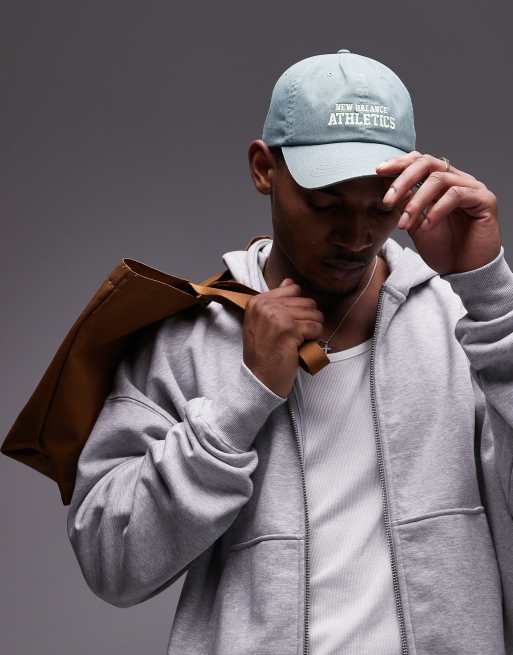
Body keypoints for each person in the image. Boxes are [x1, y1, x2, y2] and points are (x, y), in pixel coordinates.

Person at [66, 49, 513, 655]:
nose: (355, 235)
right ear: (263, 169)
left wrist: (493, 296)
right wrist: (240, 404)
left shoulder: (465, 322)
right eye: (326, 203)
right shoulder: (187, 343)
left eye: (381, 206)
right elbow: (111, 562)